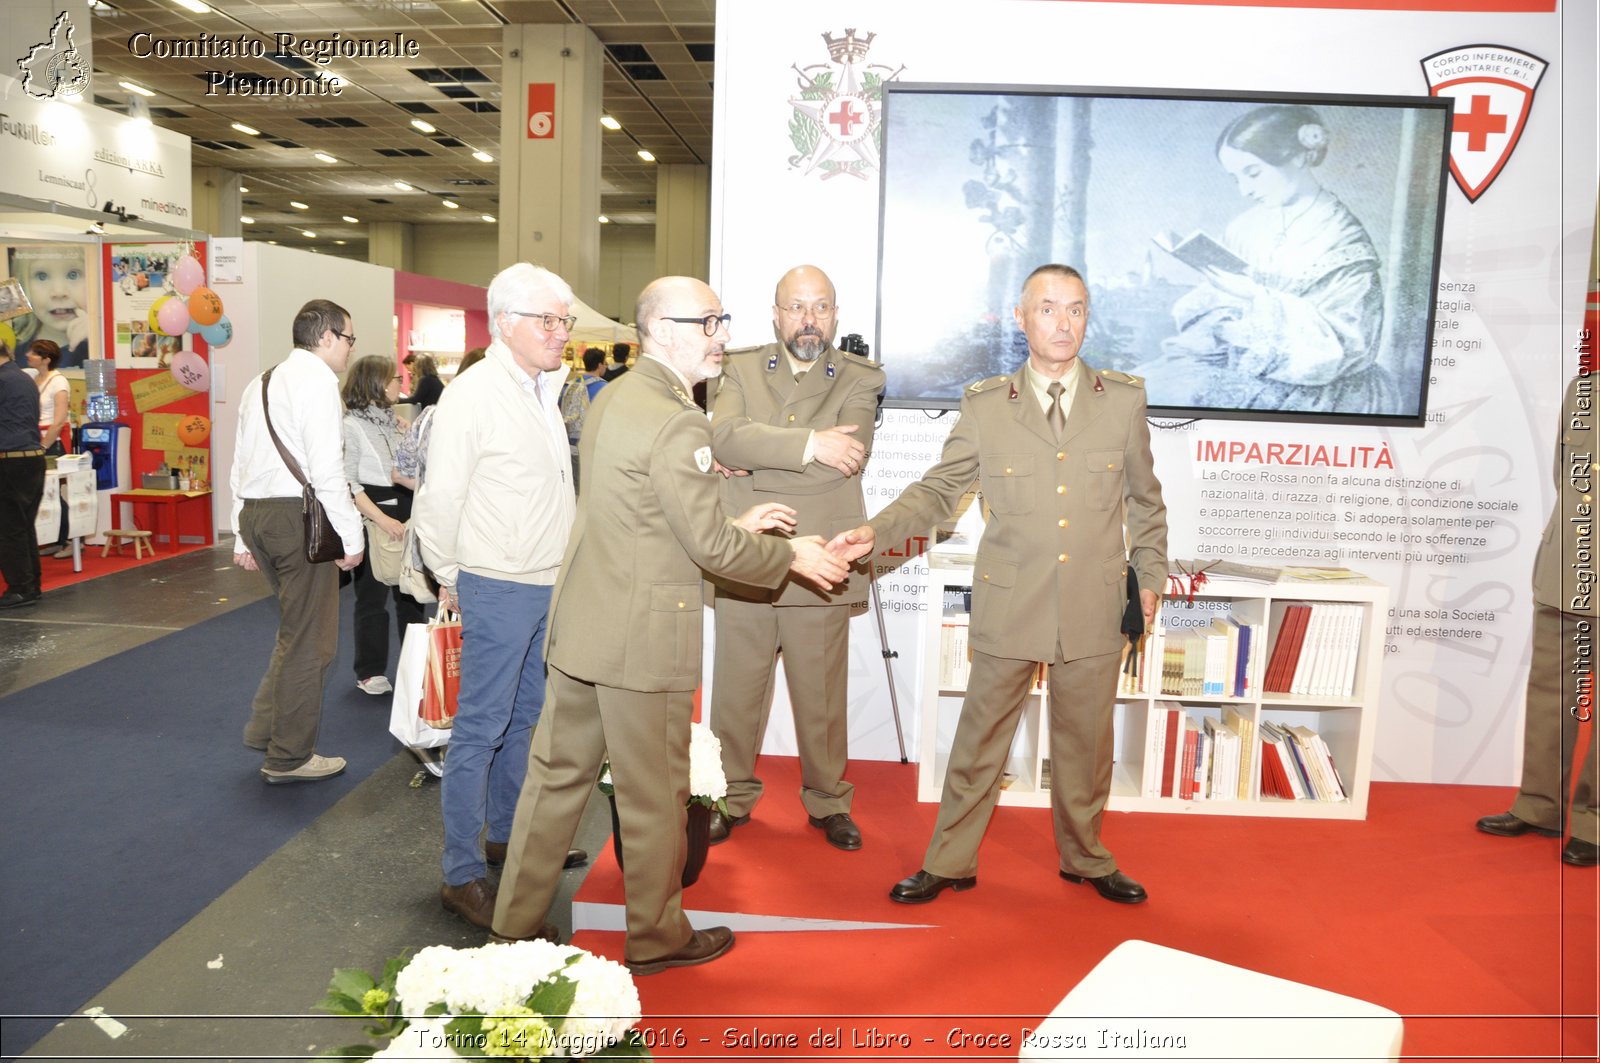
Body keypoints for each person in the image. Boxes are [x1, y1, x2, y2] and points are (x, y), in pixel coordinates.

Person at [492, 276, 862, 972]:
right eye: (711, 320)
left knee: (554, 781)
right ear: (663, 330)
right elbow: (711, 548)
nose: (723, 333)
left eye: (723, 318)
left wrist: (732, 524)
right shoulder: (679, 417)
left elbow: (649, 517)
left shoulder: (617, 396)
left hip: (585, 627)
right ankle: (656, 936)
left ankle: (513, 924)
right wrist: (789, 553)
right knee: (656, 795)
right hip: (641, 640)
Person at [832, 264, 1168, 905]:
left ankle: (1087, 858)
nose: (1062, 322)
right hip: (1012, 599)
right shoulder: (987, 406)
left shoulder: (1122, 400)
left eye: (1075, 309)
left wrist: (1149, 575)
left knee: (1087, 744)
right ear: (1022, 318)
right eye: (1048, 309)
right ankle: (950, 859)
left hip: (1096, 600)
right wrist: (875, 531)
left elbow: (1146, 502)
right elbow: (939, 491)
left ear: (1087, 318)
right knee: (980, 740)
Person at [412, 263, 588, 931]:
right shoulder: (475, 394)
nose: (560, 332)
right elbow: (440, 496)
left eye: (564, 319)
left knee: (527, 720)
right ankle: (462, 873)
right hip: (497, 581)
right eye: (548, 319)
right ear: (506, 323)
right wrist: (450, 571)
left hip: (545, 581)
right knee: (480, 727)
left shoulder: (542, 386)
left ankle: (508, 838)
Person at [705, 264, 884, 851]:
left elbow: (848, 454)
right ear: (776, 313)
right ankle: (727, 798)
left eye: (822, 307)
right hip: (749, 552)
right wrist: (809, 443)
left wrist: (754, 453)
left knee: (821, 694)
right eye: (797, 307)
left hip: (825, 557)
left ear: (836, 314)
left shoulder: (861, 377)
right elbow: (725, 438)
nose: (810, 319)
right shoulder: (736, 366)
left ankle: (828, 801)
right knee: (736, 690)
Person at [1149, 104, 1394, 415]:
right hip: (1240, 361)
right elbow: (1220, 307)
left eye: (1253, 173)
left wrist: (1254, 295)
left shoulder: (1340, 235)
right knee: (1150, 387)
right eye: (1235, 178)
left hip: (1321, 385)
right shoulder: (1244, 226)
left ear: (1298, 155)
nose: (1244, 190)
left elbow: (1347, 345)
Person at [231, 299, 365, 784]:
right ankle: (289, 756)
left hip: (258, 514)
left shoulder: (261, 381)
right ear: (327, 336)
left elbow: (239, 458)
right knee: (313, 642)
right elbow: (326, 469)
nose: (351, 349)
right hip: (298, 519)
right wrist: (351, 538)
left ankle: (267, 730)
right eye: (349, 338)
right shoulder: (318, 384)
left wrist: (237, 533)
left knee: (294, 630)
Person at [1475, 373, 1598, 867]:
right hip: (1568, 562)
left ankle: (1593, 820)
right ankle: (1541, 805)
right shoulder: (1584, 387)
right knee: (1551, 690)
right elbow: (1564, 472)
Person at [341, 355, 426, 696]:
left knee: (413, 594)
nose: (399, 385)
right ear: (374, 383)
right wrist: (381, 518)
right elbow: (347, 482)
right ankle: (370, 670)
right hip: (373, 515)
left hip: (407, 511)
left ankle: (417, 665)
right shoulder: (350, 425)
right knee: (372, 598)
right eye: (393, 379)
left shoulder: (397, 421)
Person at [0, 334, 46, 609]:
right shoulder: (24, 379)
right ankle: (31, 584)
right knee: (24, 526)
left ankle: (19, 587)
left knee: (9, 528)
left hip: (10, 460)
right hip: (31, 458)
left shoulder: (3, 381)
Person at [9, 245, 90, 368]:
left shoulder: (97, 345)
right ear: (23, 286)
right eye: (42, 276)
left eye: (73, 274)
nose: (59, 292)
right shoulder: (13, 351)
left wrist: (95, 339)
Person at [27, 341, 69, 456]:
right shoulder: (33, 377)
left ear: (46, 360)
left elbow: (59, 422)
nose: (28, 355)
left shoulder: (59, 382)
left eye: (34, 353)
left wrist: (43, 447)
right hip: (35, 439)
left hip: (53, 442)